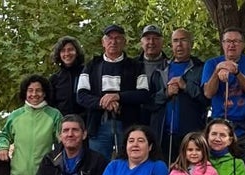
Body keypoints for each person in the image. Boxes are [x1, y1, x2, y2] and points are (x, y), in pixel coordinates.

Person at [77, 24, 150, 161]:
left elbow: (144, 94)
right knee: (97, 166)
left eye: (118, 38)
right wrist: (103, 103)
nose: (113, 42)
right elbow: (81, 96)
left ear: (124, 42)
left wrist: (118, 97)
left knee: (128, 164)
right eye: (109, 38)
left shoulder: (136, 66)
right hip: (99, 126)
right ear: (103, 42)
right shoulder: (92, 65)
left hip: (127, 126)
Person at [0, 74, 63, 175]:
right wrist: (3, 147)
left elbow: (63, 141)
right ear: (25, 93)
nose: (34, 94)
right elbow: (3, 136)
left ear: (44, 93)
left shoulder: (54, 115)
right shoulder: (15, 115)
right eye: (30, 90)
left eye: (38, 90)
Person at [149, 29, 208, 163]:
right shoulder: (160, 69)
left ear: (191, 44)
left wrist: (186, 86)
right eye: (175, 41)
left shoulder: (201, 68)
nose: (179, 44)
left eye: (183, 40)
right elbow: (149, 102)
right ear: (171, 44)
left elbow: (206, 99)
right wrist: (166, 93)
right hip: (162, 134)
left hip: (190, 134)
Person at [202, 27, 245, 160]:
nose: (231, 45)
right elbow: (208, 93)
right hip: (220, 125)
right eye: (228, 41)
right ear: (222, 44)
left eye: (236, 41)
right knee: (219, 165)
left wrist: (236, 72)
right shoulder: (211, 63)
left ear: (243, 45)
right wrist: (217, 71)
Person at [34, 115, 108, 175]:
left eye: (75, 130)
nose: (70, 134)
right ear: (60, 136)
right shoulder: (50, 159)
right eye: (65, 130)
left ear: (84, 134)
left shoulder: (97, 160)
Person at [48, 36, 86, 117]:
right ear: (59, 54)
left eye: (70, 50)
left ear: (77, 52)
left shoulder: (87, 73)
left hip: (85, 123)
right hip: (62, 123)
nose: (67, 54)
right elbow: (50, 105)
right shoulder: (54, 79)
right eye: (63, 51)